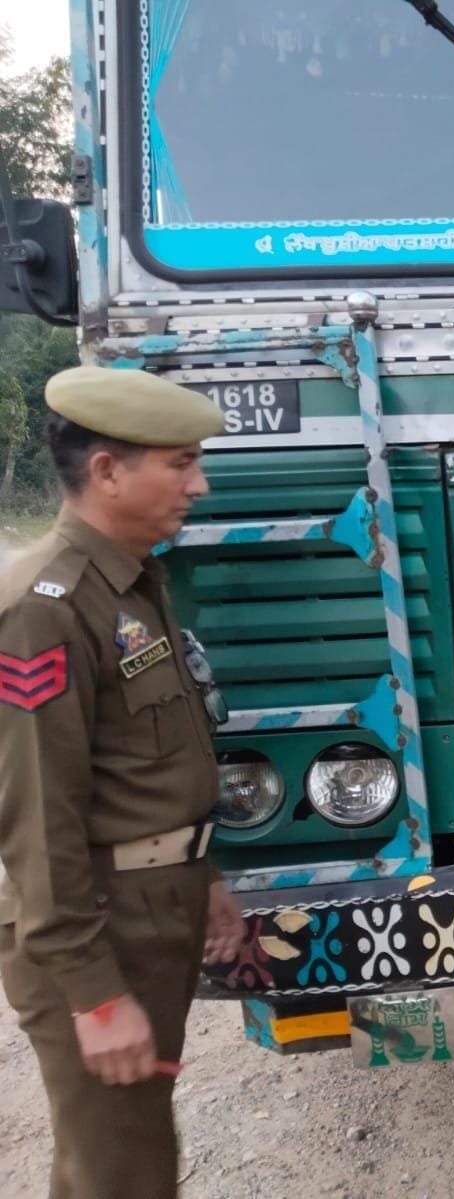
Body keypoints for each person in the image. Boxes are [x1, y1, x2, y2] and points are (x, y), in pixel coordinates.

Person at [0, 365, 247, 1199]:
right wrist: (94, 993)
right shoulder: (45, 609)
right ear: (107, 471)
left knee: (117, 1161)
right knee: (122, 1175)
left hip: (149, 909)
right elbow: (39, 819)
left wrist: (203, 873)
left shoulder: (133, 584)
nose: (197, 484)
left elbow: (145, 765)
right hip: (100, 924)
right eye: (180, 463)